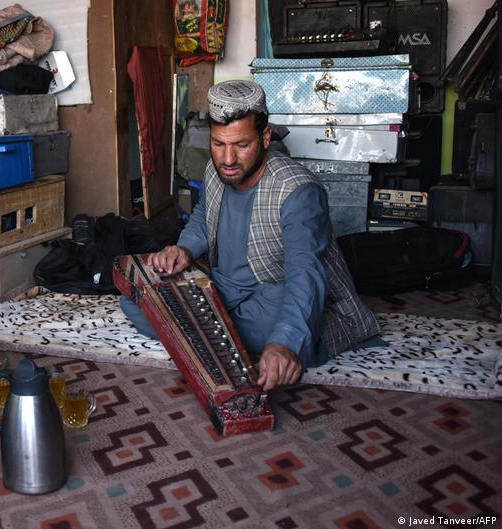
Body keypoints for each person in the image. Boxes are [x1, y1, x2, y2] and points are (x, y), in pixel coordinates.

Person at [120, 80, 380, 391]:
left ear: (265, 137)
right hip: (227, 287)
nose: (228, 159)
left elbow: (305, 271)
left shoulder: (298, 190)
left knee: (281, 322)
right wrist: (184, 249)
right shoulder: (215, 171)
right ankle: (218, 325)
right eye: (218, 144)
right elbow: (205, 215)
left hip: (274, 292)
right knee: (134, 300)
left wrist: (285, 342)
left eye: (242, 145)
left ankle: (232, 330)